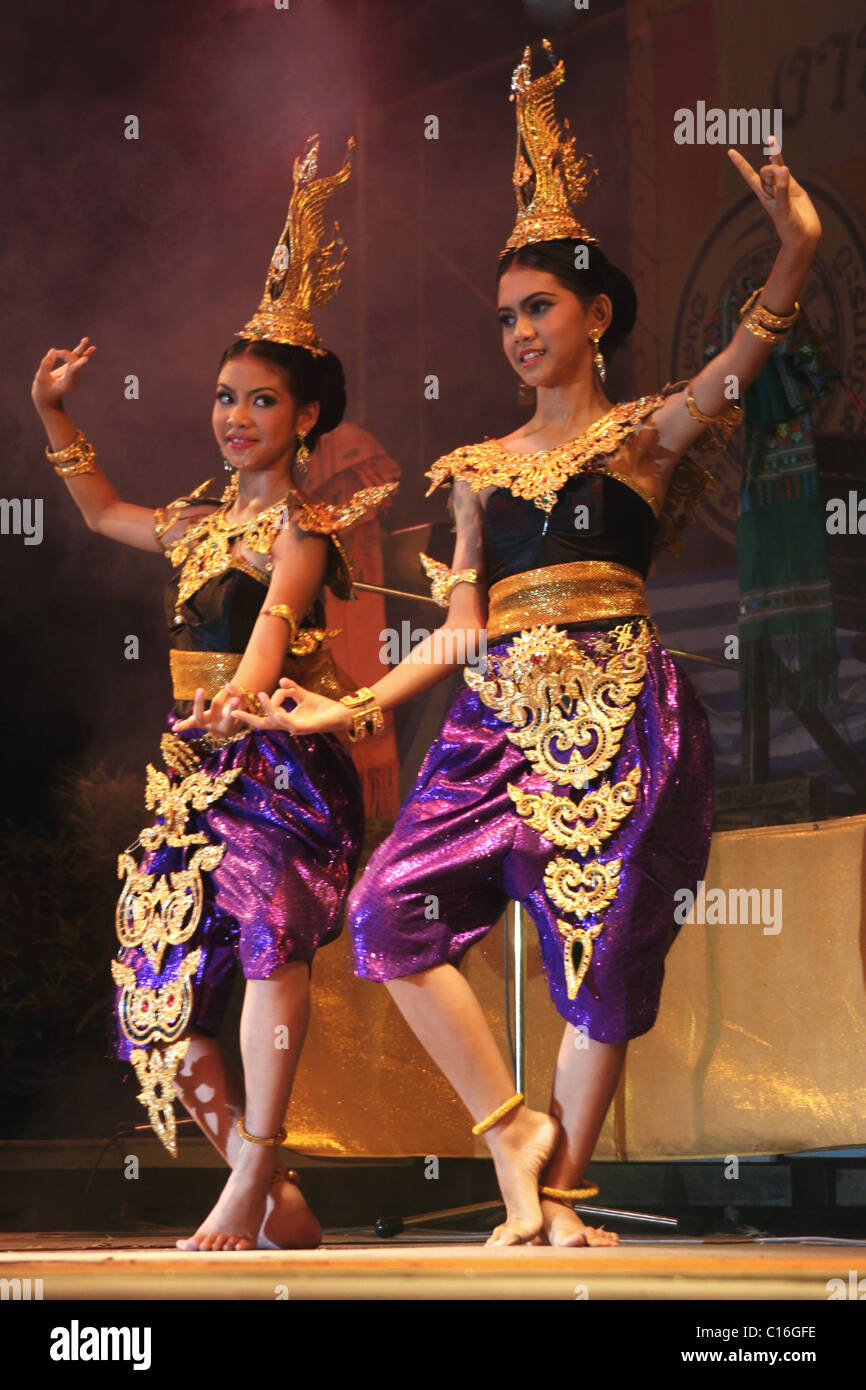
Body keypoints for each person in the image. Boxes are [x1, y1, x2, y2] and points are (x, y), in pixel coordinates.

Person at [237, 43, 822, 1246]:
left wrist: (798, 248)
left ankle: (548, 1204)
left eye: (537, 307)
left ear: (593, 313)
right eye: (501, 316)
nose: (515, 331)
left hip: (620, 706)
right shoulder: (472, 474)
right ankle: (509, 1127)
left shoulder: (643, 436)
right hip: (494, 720)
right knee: (392, 909)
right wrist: (342, 712)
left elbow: (738, 363)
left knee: (602, 945)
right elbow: (457, 629)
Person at [30, 135, 396, 1252]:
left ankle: (249, 1183)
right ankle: (258, 1175)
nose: (236, 416)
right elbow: (98, 510)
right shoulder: (194, 522)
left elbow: (278, 627)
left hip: (279, 762)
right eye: (226, 396)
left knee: (268, 949)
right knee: (157, 995)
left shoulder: (300, 528)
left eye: (262, 401)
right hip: (193, 771)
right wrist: (50, 410)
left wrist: (234, 700)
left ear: (304, 422)